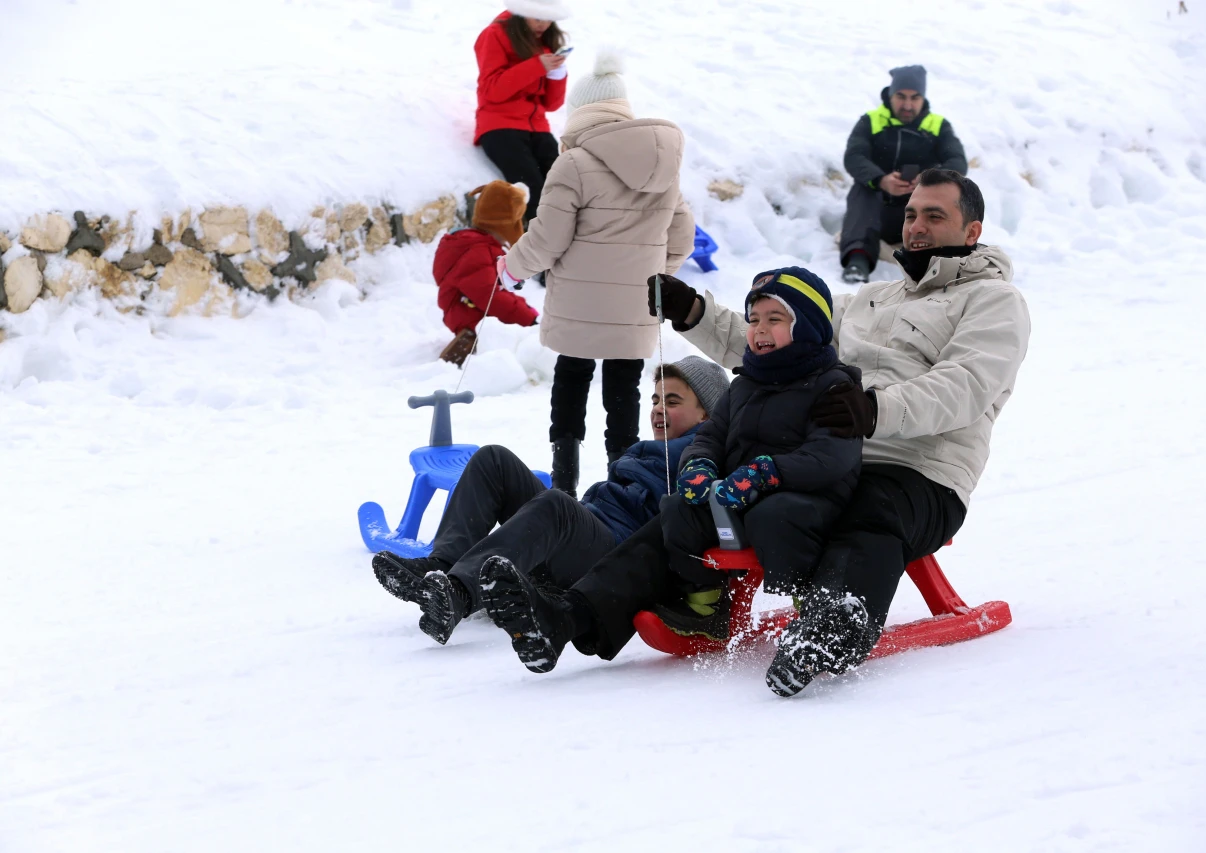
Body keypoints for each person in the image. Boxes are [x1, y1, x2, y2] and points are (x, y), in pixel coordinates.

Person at [479, 169, 1031, 697]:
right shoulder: (874, 299)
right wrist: (694, 312)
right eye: (911, 213)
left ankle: (830, 632)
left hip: (919, 473)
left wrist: (872, 410)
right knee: (689, 507)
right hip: (827, 457)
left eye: (934, 215)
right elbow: (786, 337)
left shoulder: (993, 301)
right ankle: (568, 615)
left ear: (972, 230)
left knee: (871, 512)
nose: (915, 226)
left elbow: (966, 386)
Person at [371, 356, 729, 645]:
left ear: (707, 415)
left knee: (556, 503)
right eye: (655, 399)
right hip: (584, 533)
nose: (657, 409)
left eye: (673, 401)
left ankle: (458, 594)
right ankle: (442, 565)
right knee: (494, 460)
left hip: (610, 557)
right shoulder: (653, 448)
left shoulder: (700, 457)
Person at [501, 51, 695, 496]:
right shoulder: (664, 167)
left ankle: (563, 488)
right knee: (624, 391)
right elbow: (682, 237)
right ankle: (621, 489)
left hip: (577, 304)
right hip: (636, 305)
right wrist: (651, 275)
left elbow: (547, 240)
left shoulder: (572, 163)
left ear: (581, 111)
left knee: (571, 379)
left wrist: (510, 267)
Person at [653, 268, 863, 642]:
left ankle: (810, 605)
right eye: (753, 320)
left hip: (811, 498)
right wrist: (698, 464)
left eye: (774, 319)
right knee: (677, 508)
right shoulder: (745, 382)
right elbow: (712, 436)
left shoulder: (834, 385)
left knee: (776, 516)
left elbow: (829, 457)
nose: (759, 329)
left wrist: (768, 472)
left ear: (809, 326)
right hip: (737, 495)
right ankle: (706, 604)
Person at [839, 65, 968, 284]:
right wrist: (881, 180)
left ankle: (935, 263)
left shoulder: (938, 126)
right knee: (864, 188)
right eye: (901, 96)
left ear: (923, 98)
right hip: (877, 211)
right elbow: (854, 156)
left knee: (946, 194)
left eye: (914, 98)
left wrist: (928, 180)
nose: (907, 105)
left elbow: (957, 162)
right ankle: (858, 259)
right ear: (890, 94)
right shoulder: (870, 121)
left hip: (918, 210)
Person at [473, 2, 571, 223]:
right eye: (537, 17)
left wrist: (558, 75)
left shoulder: (544, 41)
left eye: (548, 19)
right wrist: (536, 66)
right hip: (500, 126)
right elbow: (492, 90)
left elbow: (551, 104)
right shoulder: (495, 34)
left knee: (564, 186)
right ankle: (541, 249)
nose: (543, 24)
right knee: (533, 190)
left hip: (537, 127)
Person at [434, 181, 539, 366]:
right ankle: (471, 343)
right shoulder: (477, 251)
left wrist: (525, 309)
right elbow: (490, 297)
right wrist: (529, 319)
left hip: (465, 308)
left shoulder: (475, 244)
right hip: (468, 314)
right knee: (518, 338)